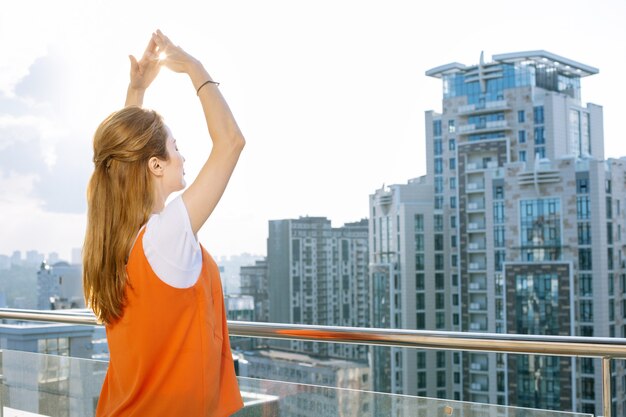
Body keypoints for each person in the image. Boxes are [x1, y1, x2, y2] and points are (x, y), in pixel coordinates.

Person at [82, 30, 245, 416]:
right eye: (175, 149)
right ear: (155, 166)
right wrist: (192, 66)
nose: (183, 158)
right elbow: (231, 142)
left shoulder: (119, 239)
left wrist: (135, 91)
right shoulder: (163, 238)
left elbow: (122, 157)